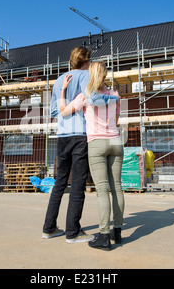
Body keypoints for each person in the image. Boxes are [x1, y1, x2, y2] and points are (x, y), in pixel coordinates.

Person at [42, 47, 118, 243]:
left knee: (59, 182)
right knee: (77, 184)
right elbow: (94, 99)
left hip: (62, 135)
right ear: (87, 61)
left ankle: (49, 228)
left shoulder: (60, 80)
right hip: (81, 135)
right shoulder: (86, 75)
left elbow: (53, 112)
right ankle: (72, 231)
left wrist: (66, 102)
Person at [59, 61, 124, 251]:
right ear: (105, 75)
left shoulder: (85, 96)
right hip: (115, 141)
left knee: (102, 189)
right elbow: (117, 119)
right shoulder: (115, 95)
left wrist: (63, 91)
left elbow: (63, 113)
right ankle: (117, 232)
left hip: (96, 142)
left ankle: (104, 236)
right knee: (117, 188)